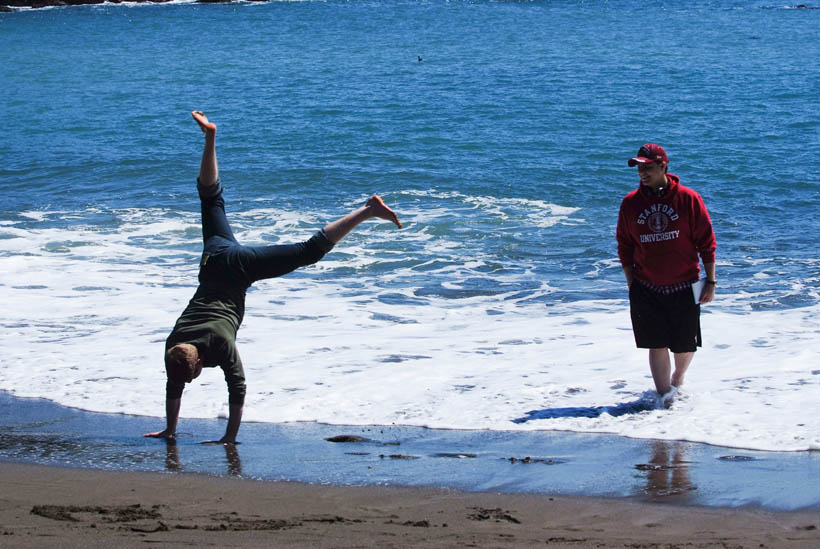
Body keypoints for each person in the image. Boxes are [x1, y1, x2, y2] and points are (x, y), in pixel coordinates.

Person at [144, 111, 401, 443]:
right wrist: (170, 429)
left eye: (191, 377)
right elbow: (175, 385)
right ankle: (210, 136)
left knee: (307, 252)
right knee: (210, 198)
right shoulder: (174, 347)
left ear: (196, 363)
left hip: (238, 267)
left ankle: (369, 209)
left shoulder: (217, 346)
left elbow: (237, 388)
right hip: (212, 259)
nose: (189, 381)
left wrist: (229, 438)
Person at [616, 144, 716, 402]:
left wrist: (711, 281)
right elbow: (625, 246)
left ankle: (678, 378)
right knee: (656, 342)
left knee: (685, 344)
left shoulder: (688, 199)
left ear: (663, 167)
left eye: (648, 167)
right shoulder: (630, 204)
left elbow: (707, 242)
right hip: (646, 286)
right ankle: (665, 400)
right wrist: (631, 283)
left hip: (684, 283)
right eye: (639, 168)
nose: (642, 173)